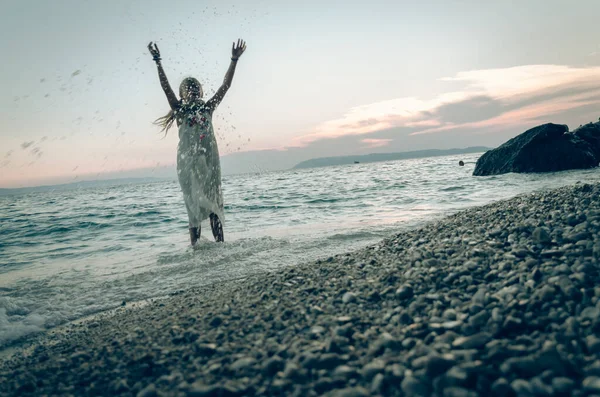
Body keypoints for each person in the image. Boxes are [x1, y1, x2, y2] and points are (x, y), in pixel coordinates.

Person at [148, 39, 247, 245]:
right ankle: (195, 252)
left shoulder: (208, 108)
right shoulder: (180, 111)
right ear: (183, 94)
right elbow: (166, 88)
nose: (192, 90)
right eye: (188, 88)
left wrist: (234, 60)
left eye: (195, 88)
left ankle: (220, 246)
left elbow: (225, 85)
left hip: (210, 163)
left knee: (214, 206)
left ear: (200, 91)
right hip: (189, 165)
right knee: (193, 207)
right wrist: (158, 61)